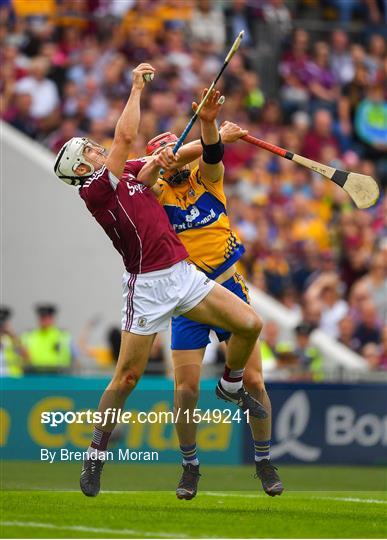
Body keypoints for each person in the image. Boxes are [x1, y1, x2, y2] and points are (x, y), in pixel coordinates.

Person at [53, 63, 265, 498]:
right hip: (146, 288)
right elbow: (126, 140)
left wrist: (210, 139)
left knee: (250, 324)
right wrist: (134, 89)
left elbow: (158, 161)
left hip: (185, 276)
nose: (97, 150)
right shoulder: (95, 189)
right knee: (126, 379)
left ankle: (229, 383)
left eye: (95, 147)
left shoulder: (125, 173)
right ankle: (96, 454)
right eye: (89, 150)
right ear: (80, 167)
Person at [146, 89, 283, 499]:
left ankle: (263, 460)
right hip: (188, 299)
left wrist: (208, 122)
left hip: (228, 288)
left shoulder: (208, 180)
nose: (174, 161)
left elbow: (210, 152)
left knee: (255, 383)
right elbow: (142, 180)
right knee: (185, 391)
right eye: (166, 155)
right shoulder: (156, 198)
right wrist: (159, 161)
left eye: (175, 152)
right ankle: (190, 466)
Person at [21, 304, 76, 374]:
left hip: (58, 373)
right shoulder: (28, 335)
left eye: (47, 317)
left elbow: (74, 355)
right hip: (34, 373)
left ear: (52, 319)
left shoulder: (63, 335)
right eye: (42, 318)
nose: (44, 320)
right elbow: (22, 355)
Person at [0, 306, 28, 377]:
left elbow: (26, 357)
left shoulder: (13, 338)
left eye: (3, 322)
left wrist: (12, 336)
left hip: (12, 378)